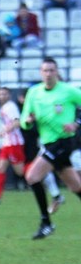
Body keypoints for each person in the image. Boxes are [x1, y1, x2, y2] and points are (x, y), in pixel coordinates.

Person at [21, 57, 81, 239]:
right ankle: (47, 223)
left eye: (51, 70)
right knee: (75, 186)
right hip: (47, 143)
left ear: (57, 72)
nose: (48, 74)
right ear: (41, 73)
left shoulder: (68, 91)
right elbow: (24, 119)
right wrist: (28, 122)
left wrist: (76, 123)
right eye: (45, 71)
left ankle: (46, 222)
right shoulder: (34, 92)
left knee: (32, 176)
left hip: (63, 142)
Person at [0, 87, 25, 203]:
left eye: (4, 94)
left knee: (20, 171)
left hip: (14, 143)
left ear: (9, 95)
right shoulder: (4, 107)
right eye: (0, 94)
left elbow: (17, 122)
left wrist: (4, 131)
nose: (2, 96)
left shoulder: (11, 107)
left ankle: (45, 176)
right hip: (7, 143)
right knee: (0, 167)